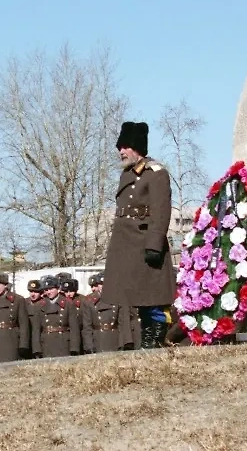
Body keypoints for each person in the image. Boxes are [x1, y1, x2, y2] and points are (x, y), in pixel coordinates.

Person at [100, 121, 175, 348]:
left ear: (137, 147)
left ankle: (155, 339)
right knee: (138, 297)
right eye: (120, 147)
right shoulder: (126, 174)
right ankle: (147, 340)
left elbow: (161, 211)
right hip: (127, 246)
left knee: (153, 295)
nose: (121, 151)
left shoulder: (156, 174)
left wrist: (154, 244)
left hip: (145, 244)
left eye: (125, 146)